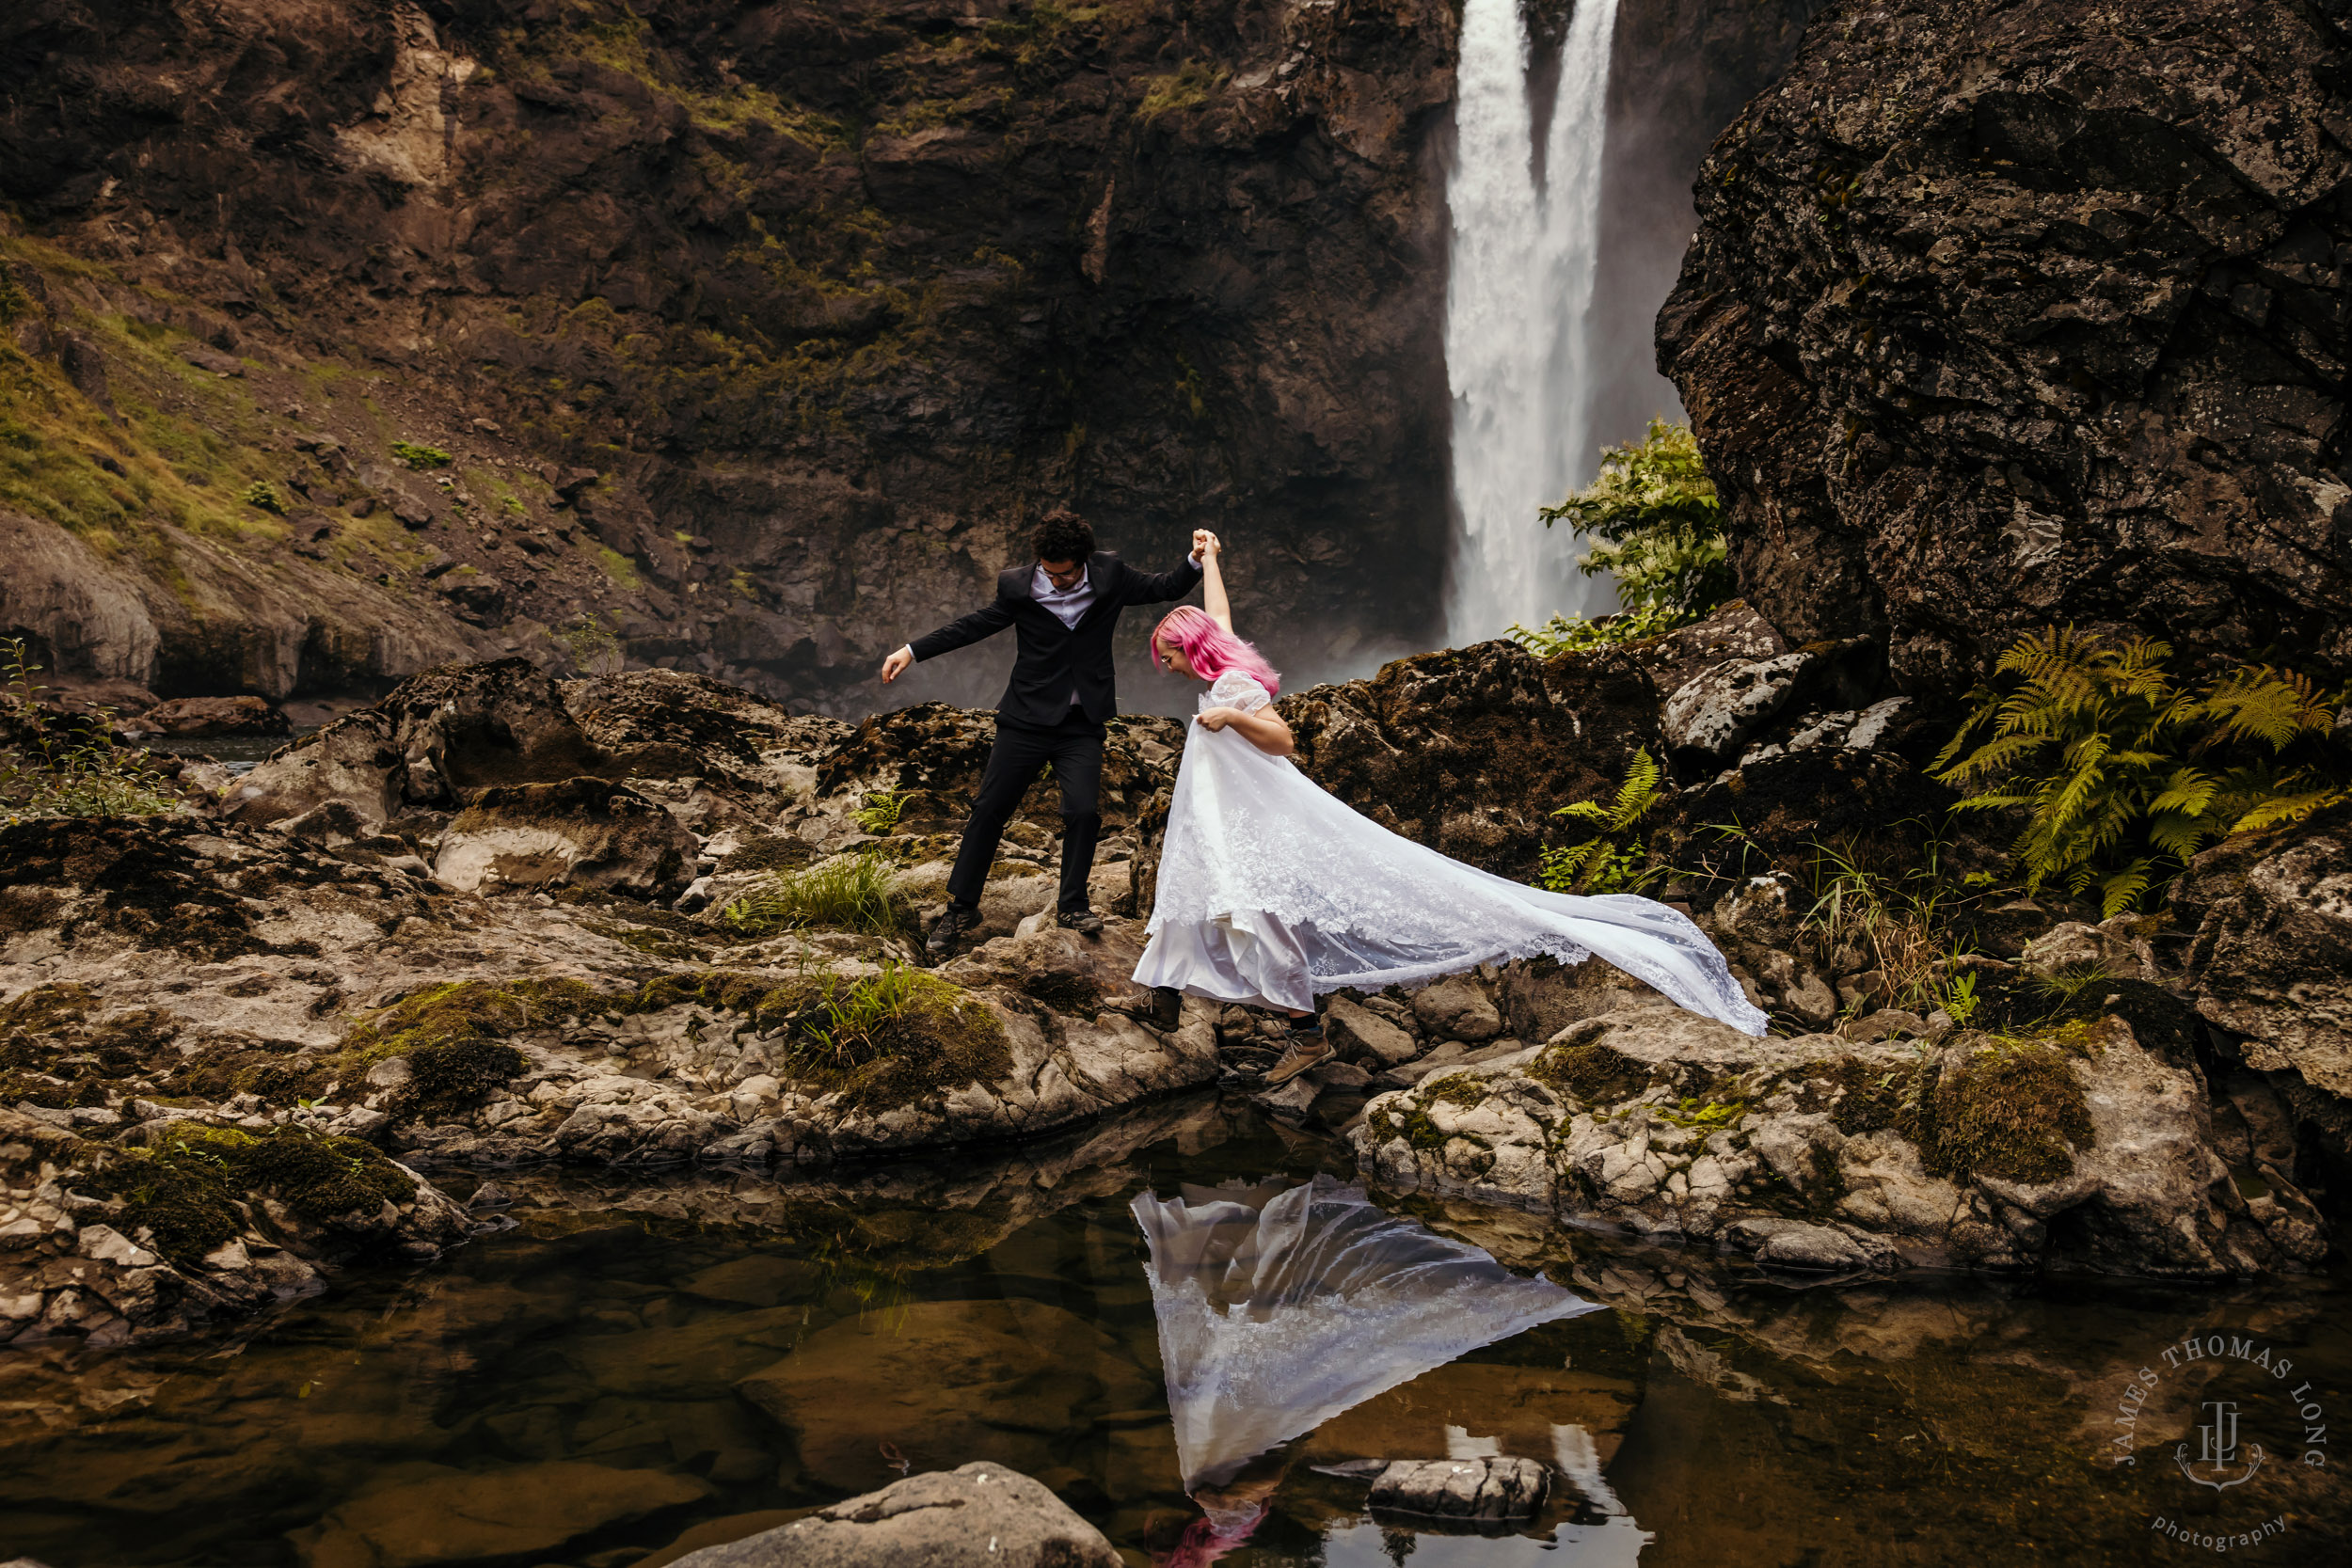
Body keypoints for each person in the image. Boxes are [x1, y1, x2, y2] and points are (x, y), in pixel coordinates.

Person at [1133, 535, 1768, 1085]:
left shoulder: (1233, 689)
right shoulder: (1224, 669)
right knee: (1197, 895)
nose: (1168, 667)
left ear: (1197, 651)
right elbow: (1218, 618)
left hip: (1255, 827)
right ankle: (1167, 993)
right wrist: (1211, 558)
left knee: (1260, 921)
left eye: (1172, 655)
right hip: (1227, 825)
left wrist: (1230, 717)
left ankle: (1304, 1033)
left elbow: (1283, 740)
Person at [882, 508, 1206, 959]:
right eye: (1049, 575)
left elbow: (1164, 587)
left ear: (1084, 561)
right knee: (989, 810)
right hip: (1025, 719)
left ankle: (1072, 905)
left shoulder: (1110, 573)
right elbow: (974, 625)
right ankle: (960, 908)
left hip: (1081, 724)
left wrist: (1195, 559)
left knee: (1082, 813)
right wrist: (912, 651)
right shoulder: (1017, 584)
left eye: (1066, 575)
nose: (1057, 582)